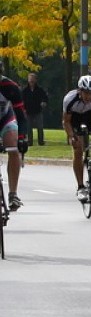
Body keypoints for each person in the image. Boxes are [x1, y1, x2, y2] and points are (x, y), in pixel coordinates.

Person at [62, 75, 91, 202]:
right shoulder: (69, 100)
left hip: (90, 115)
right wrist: (72, 136)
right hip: (74, 119)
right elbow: (66, 121)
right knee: (78, 150)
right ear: (79, 91)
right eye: (86, 93)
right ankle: (81, 187)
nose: (89, 96)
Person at [0, 67, 24, 211]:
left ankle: (13, 193)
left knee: (13, 148)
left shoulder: (10, 87)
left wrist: (22, 138)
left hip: (5, 119)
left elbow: (21, 115)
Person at [21, 72, 49, 146]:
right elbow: (21, 100)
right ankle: (30, 142)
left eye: (33, 80)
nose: (31, 82)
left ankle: (41, 142)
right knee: (28, 128)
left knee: (40, 127)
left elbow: (45, 98)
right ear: (28, 80)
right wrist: (23, 108)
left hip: (37, 111)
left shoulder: (40, 89)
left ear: (35, 80)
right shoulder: (25, 90)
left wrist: (44, 102)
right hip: (28, 111)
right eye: (30, 80)